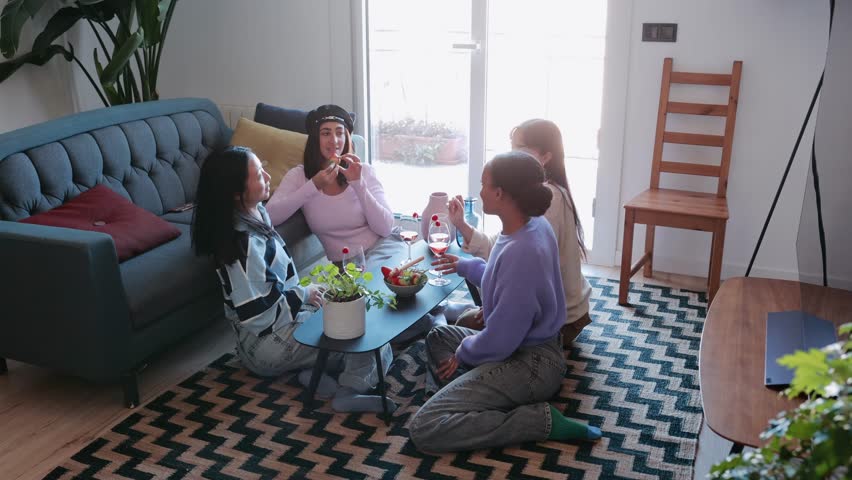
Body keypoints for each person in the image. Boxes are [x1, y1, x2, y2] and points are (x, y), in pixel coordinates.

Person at [408, 151, 601, 453]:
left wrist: (465, 350)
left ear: (500, 193)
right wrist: (463, 264)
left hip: (533, 364)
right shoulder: (529, 225)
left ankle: (539, 421)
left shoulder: (523, 251)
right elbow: (501, 280)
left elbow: (501, 339)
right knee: (438, 335)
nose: (480, 191)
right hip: (520, 347)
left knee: (424, 428)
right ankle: (459, 401)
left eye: (485, 185)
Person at [191, 146, 395, 413]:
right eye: (257, 174)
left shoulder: (255, 212)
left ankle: (312, 373)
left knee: (350, 305)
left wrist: (310, 295)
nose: (267, 175)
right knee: (373, 336)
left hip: (280, 326)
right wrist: (304, 294)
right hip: (267, 345)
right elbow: (258, 317)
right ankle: (350, 391)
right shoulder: (245, 244)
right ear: (236, 192)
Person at [449, 119, 592, 346]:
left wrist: (497, 312)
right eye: (512, 147)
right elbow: (497, 247)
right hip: (553, 305)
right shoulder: (533, 194)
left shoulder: (549, 200)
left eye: (521, 149)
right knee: (467, 307)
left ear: (546, 156)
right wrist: (461, 224)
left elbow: (524, 271)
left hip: (562, 320)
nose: (513, 154)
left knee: (460, 327)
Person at [266, 104, 400, 265]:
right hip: (347, 268)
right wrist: (313, 186)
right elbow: (269, 217)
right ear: (315, 139)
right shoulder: (299, 176)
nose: (334, 140)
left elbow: (385, 228)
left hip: (383, 249)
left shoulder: (363, 171)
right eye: (326, 133)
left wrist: (358, 184)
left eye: (339, 133)